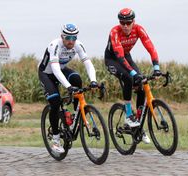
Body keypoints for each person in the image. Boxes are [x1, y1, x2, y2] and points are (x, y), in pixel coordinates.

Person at [104, 8, 162, 144]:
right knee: (129, 78)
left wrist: (156, 67)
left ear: (133, 22)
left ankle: (138, 125)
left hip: (126, 56)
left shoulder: (139, 29)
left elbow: (150, 47)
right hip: (113, 59)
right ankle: (128, 115)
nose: (125, 26)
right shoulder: (114, 32)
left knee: (141, 84)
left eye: (128, 22)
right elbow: (119, 56)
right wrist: (133, 73)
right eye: (122, 23)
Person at [38, 23, 98, 153]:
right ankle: (55, 139)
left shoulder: (78, 45)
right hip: (47, 74)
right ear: (62, 36)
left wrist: (93, 81)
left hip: (62, 70)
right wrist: (68, 87)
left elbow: (88, 63)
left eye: (74, 38)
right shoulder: (55, 45)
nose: (71, 41)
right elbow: (55, 69)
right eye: (68, 38)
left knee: (77, 78)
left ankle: (77, 114)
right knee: (55, 101)